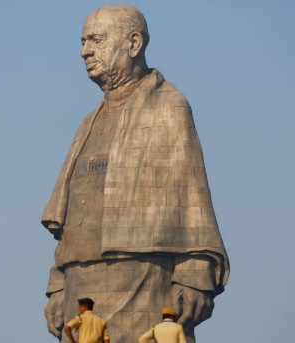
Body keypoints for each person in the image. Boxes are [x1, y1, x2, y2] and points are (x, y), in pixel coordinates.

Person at [42, 5, 229, 343]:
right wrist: (57, 283)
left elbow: (192, 197)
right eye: (83, 41)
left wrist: (195, 272)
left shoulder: (169, 106)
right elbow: (71, 215)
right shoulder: (88, 123)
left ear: (133, 43)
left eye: (96, 40)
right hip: (79, 282)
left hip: (143, 276)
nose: (85, 51)